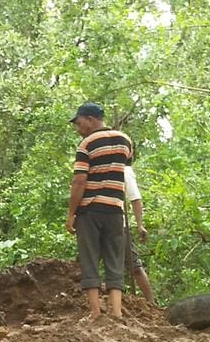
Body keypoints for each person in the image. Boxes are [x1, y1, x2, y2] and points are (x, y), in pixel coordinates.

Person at [65, 102, 134, 319]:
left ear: (91, 119)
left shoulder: (86, 144)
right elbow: (124, 170)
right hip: (115, 208)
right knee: (115, 259)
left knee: (90, 258)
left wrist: (71, 214)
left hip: (90, 210)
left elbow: (79, 181)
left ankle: (95, 312)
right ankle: (117, 312)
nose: (78, 128)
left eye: (79, 122)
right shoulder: (126, 141)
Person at [120, 161, 156, 304]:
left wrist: (140, 225)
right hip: (97, 223)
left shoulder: (125, 170)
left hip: (118, 224)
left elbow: (135, 198)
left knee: (133, 265)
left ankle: (151, 303)